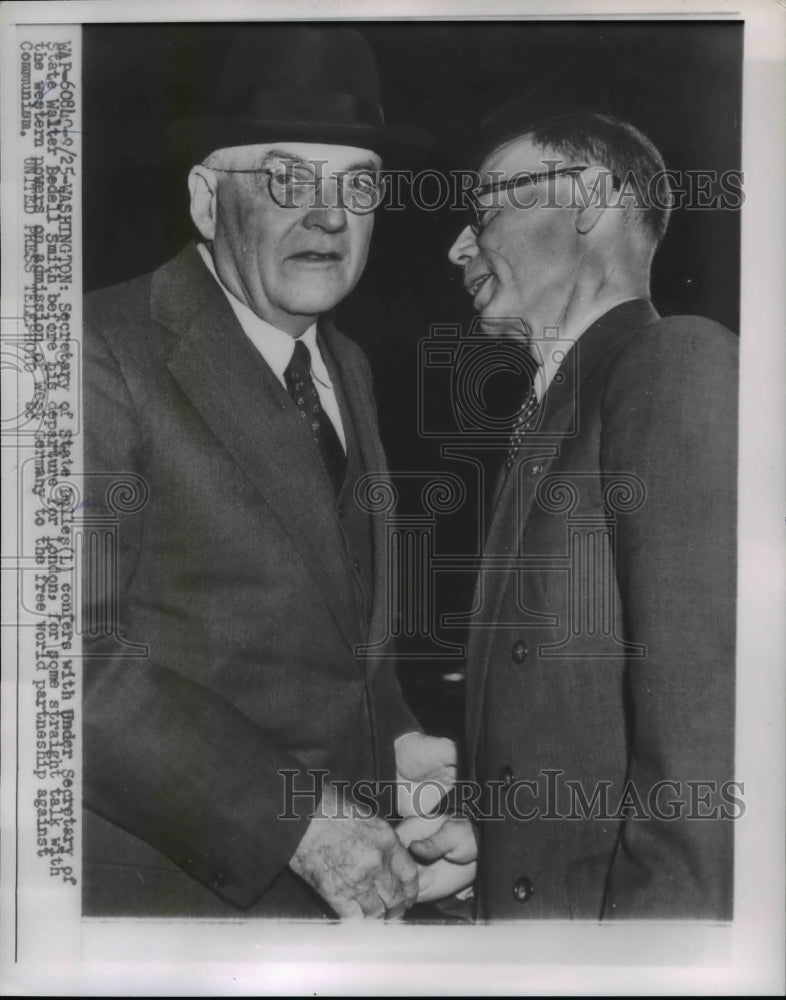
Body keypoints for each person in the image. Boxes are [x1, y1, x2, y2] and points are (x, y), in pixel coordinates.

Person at [81, 26, 475, 920]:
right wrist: (302, 826)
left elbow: (341, 648)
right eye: (288, 179)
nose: (328, 216)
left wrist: (396, 751)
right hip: (172, 918)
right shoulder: (95, 352)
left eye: (358, 185)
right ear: (205, 200)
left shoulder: (351, 367)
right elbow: (63, 664)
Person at [435, 107, 737, 919]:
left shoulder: (674, 362)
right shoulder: (553, 416)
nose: (459, 246)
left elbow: (708, 744)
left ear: (590, 200)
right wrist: (503, 848)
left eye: (486, 206)